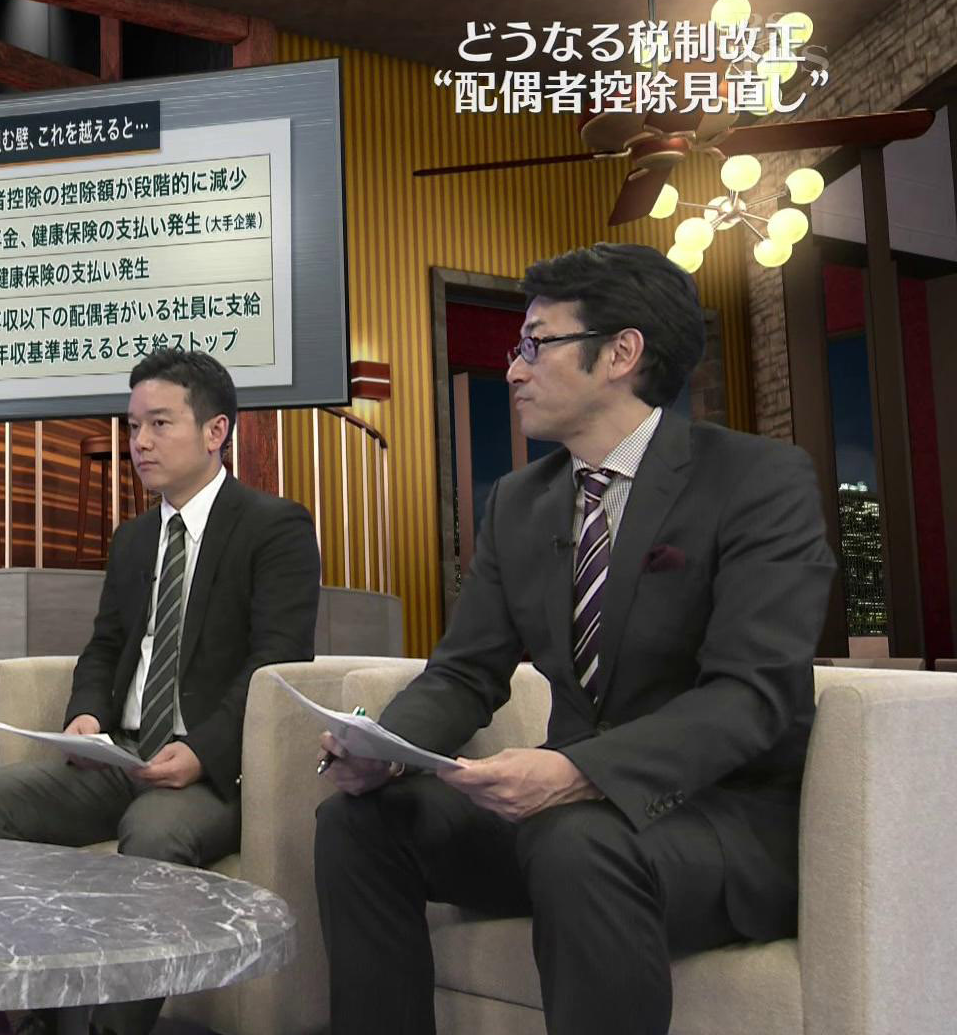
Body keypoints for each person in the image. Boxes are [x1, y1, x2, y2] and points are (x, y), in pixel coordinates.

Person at [311, 243, 836, 1035]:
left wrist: (576, 772)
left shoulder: (757, 479)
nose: (513, 370)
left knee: (576, 839)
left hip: (719, 821)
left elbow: (750, 693)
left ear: (620, 354)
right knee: (360, 823)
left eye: (535, 344)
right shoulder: (520, 502)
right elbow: (465, 673)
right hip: (568, 824)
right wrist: (384, 749)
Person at [0, 348, 322, 1035]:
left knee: (153, 833)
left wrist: (203, 751)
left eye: (159, 423)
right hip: (120, 755)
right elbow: (105, 646)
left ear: (214, 431)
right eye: (132, 427)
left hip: (212, 771)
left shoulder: (274, 527)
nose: (139, 442)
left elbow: (277, 663)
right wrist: (86, 715)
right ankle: (42, 1018)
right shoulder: (133, 539)